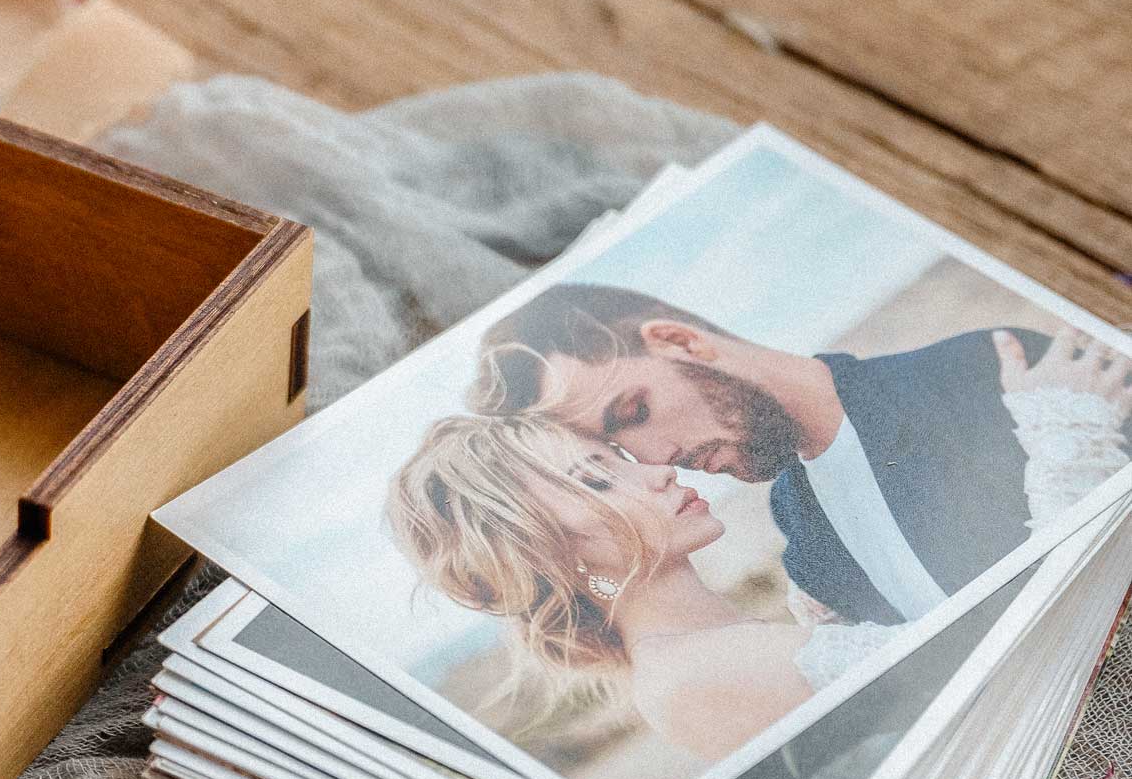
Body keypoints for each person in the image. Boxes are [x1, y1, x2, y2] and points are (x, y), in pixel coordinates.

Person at [387, 393, 1126, 763]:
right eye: (599, 480)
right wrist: (1066, 433)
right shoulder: (694, 675)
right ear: (545, 554)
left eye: (615, 458)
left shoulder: (711, 645)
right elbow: (1023, 672)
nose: (656, 471)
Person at [465, 283, 1132, 626]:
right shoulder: (797, 528)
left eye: (633, 411)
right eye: (614, 449)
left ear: (680, 342)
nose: (655, 457)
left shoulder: (991, 374)